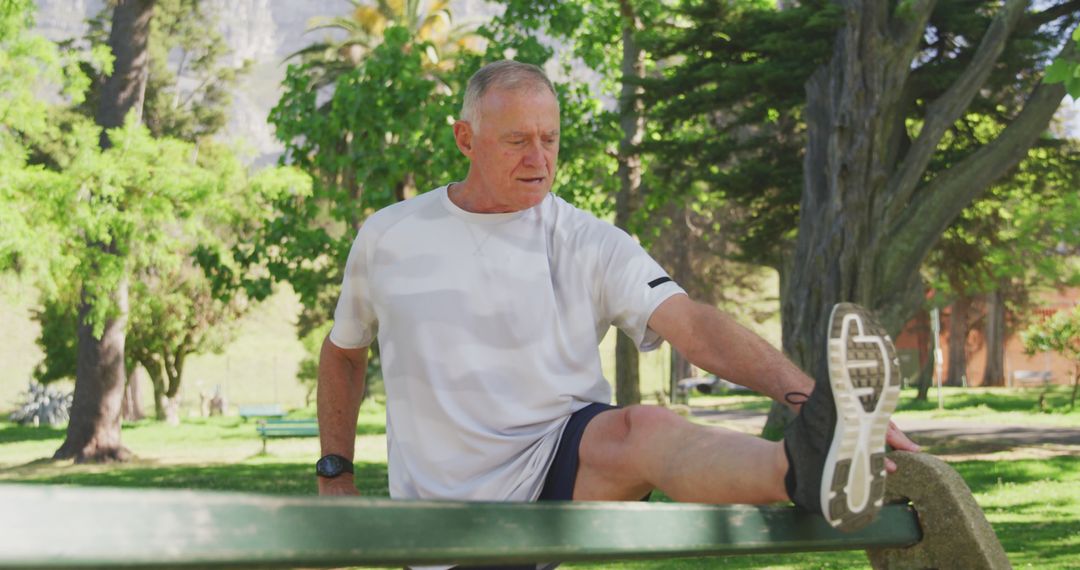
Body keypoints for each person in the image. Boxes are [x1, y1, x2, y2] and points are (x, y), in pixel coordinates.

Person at [316, 60, 920, 542]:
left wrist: (815, 399)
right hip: (438, 518)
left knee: (643, 427)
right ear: (465, 138)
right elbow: (344, 355)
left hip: (559, 462)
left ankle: (808, 468)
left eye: (550, 138)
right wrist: (336, 471)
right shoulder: (390, 235)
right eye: (517, 141)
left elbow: (694, 327)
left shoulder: (589, 241)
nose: (539, 159)